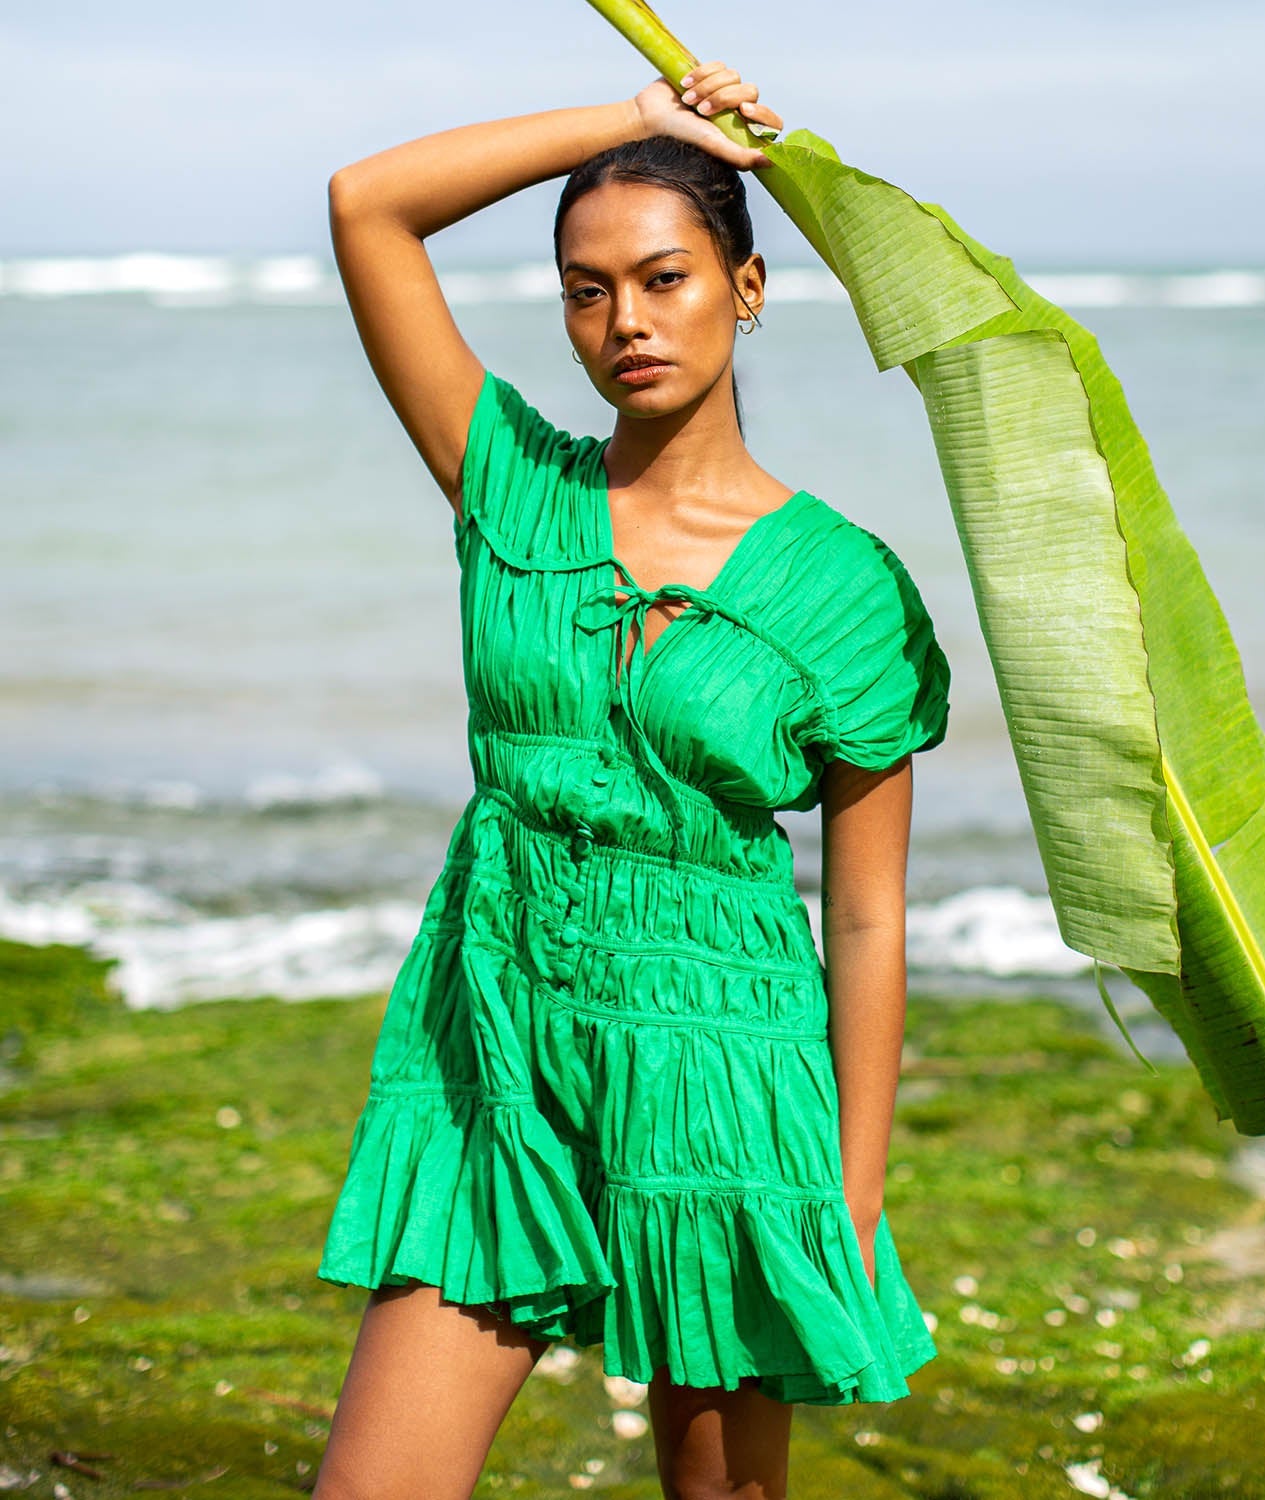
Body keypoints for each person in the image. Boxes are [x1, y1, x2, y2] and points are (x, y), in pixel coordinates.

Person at [311, 60, 952, 1500]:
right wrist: (636, 122)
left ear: (748, 284)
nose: (627, 323)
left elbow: (866, 918)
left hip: (721, 1063)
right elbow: (370, 205)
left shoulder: (847, 590)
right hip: (500, 1034)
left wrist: (845, 1196)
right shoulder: (512, 488)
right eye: (588, 292)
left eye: (664, 278)